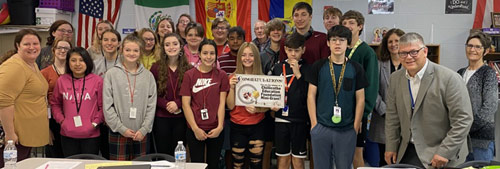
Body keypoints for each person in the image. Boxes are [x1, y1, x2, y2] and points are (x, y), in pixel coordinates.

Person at [385, 32, 473, 168]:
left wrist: (445, 152)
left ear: (425, 51)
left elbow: (463, 120)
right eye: (403, 53)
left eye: (414, 52)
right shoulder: (395, 78)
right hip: (407, 151)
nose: (408, 57)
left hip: (441, 153)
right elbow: (392, 116)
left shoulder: (449, 78)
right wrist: (390, 145)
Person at [306, 25, 367, 169]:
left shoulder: (356, 68)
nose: (337, 43)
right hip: (321, 126)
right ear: (328, 43)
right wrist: (314, 124)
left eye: (342, 40)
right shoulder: (318, 66)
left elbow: (361, 99)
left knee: (344, 166)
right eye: (333, 40)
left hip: (346, 128)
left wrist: (355, 125)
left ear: (348, 43)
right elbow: (311, 95)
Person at [103, 33, 157, 160]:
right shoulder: (111, 74)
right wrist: (121, 129)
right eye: (128, 50)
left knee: (141, 167)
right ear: (121, 50)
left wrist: (144, 129)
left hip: (141, 132)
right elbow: (107, 106)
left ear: (140, 52)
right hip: (118, 131)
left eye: (135, 50)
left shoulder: (148, 76)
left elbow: (151, 105)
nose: (131, 53)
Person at [0, 29, 49, 167]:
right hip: (15, 137)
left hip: (26, 135)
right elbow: (3, 100)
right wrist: (10, 135)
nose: (32, 47)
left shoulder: (31, 64)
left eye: (35, 43)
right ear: (18, 46)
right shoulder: (14, 66)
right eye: (27, 44)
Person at [180, 39, 229, 169]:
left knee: (213, 165)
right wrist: (195, 128)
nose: (209, 57)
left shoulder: (222, 75)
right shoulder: (189, 75)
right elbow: (186, 104)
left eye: (212, 53)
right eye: (205, 53)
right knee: (197, 165)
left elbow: (222, 103)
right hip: (195, 129)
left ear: (216, 56)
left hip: (215, 129)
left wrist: (219, 127)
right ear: (199, 55)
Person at [341, 10, 379, 168]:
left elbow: (371, 86)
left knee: (357, 153)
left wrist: (363, 114)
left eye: (351, 23)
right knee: (341, 152)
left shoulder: (366, 52)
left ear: (360, 26)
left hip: (358, 112)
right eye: (344, 23)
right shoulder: (341, 49)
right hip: (340, 110)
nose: (347, 26)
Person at [50, 47, 103, 157]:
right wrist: (62, 121)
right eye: (73, 60)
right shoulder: (62, 80)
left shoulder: (97, 80)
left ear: (87, 62)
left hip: (91, 135)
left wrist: (94, 123)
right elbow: (55, 104)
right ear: (68, 63)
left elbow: (103, 106)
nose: (77, 64)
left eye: (81, 60)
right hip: (67, 134)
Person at [226, 42, 268, 169]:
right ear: (239, 58)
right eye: (244, 55)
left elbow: (267, 106)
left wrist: (258, 108)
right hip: (237, 125)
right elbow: (231, 106)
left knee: (256, 164)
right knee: (237, 164)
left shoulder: (263, 78)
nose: (247, 58)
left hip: (257, 125)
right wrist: (232, 88)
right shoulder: (232, 78)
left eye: (251, 55)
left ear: (256, 57)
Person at [272, 33, 310, 169]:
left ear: (303, 50)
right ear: (285, 50)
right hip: (281, 118)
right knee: (282, 157)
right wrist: (272, 104)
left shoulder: (307, 69)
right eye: (290, 50)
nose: (293, 54)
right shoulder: (277, 68)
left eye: (297, 50)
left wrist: (298, 75)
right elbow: (270, 91)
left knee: (298, 159)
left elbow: (308, 96)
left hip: (299, 119)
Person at [458, 31, 497, 161]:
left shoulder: (488, 73)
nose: (472, 49)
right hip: (460, 138)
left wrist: (468, 127)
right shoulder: (460, 72)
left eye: (477, 47)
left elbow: (490, 106)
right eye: (469, 45)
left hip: (481, 139)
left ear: (485, 51)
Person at [150, 33, 192, 155]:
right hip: (161, 117)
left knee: (179, 153)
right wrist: (166, 104)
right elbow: (151, 94)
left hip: (182, 118)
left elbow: (191, 93)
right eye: (167, 45)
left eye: (175, 44)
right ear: (163, 48)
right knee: (163, 153)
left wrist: (178, 104)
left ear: (181, 47)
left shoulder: (188, 69)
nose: (171, 47)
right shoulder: (155, 68)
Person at [370, 28, 405, 167]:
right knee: (384, 161)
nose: (393, 44)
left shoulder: (410, 63)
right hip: (383, 119)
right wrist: (386, 111)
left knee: (403, 161)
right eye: (390, 41)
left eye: (397, 40)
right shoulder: (378, 63)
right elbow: (373, 90)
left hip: (405, 120)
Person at [260, 18, 285, 169]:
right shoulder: (262, 55)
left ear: (283, 32)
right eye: (273, 30)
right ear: (268, 33)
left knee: (283, 146)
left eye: (279, 29)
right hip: (267, 105)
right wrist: (268, 106)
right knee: (267, 144)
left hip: (286, 105)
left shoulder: (288, 53)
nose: (276, 32)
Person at [41, 39, 72, 158]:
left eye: (66, 48)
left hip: (72, 119)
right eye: (59, 48)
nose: (63, 50)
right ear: (54, 51)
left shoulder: (75, 72)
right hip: (52, 120)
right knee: (55, 156)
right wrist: (46, 129)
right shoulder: (44, 73)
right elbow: (41, 101)